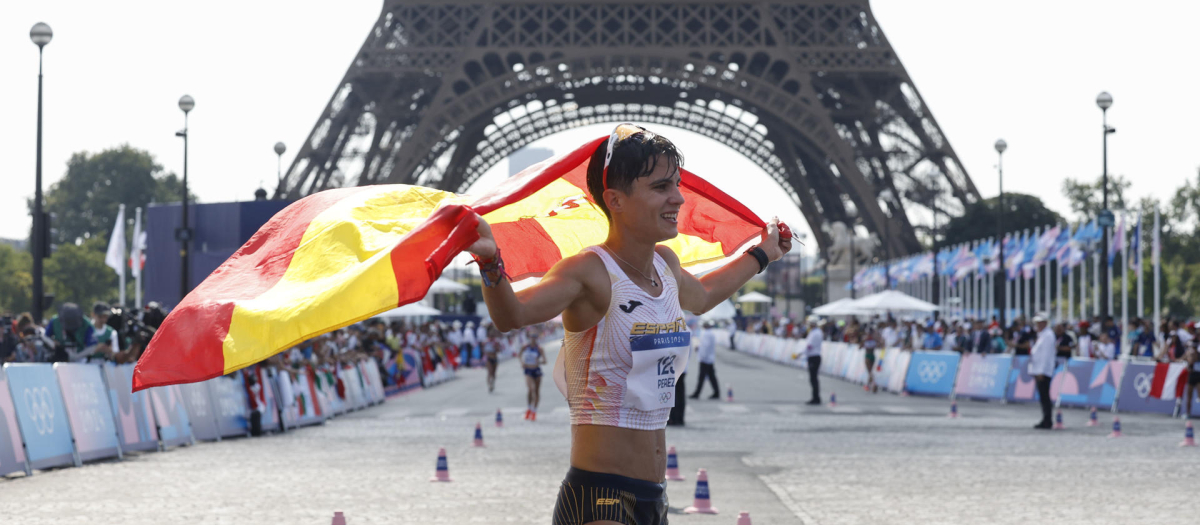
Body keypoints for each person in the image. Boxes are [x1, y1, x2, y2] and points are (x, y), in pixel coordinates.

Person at [466, 123, 791, 525]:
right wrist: (490, 263)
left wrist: (763, 254)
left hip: (655, 497)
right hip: (602, 498)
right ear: (615, 200)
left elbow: (703, 296)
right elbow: (511, 314)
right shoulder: (589, 271)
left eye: (676, 184)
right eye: (660, 187)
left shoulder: (664, 265)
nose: (678, 198)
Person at [1029, 315, 1056, 430]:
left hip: (1043, 371)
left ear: (1045, 323)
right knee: (1043, 396)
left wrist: (1041, 371)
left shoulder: (1048, 336)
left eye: (1040, 323)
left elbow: (1045, 356)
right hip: (1039, 370)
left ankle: (1047, 420)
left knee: (1045, 396)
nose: (1038, 325)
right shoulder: (1042, 335)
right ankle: (1046, 419)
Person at [689, 320, 720, 399]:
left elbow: (705, 347)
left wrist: (701, 356)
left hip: (705, 359)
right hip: (709, 358)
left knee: (701, 377)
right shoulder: (711, 333)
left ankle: (697, 393)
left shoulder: (706, 333)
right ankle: (716, 392)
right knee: (712, 377)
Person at [521, 333, 547, 421]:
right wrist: (522, 363)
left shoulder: (539, 349)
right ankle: (529, 408)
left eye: (535, 337)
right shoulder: (525, 347)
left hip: (536, 370)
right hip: (528, 370)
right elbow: (519, 355)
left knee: (536, 391)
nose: (533, 339)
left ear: (537, 338)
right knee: (530, 389)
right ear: (529, 338)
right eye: (532, 337)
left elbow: (545, 361)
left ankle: (534, 411)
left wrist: (538, 362)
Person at [803, 319, 824, 405]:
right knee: (814, 378)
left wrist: (800, 353)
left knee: (813, 379)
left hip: (814, 356)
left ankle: (816, 398)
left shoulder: (815, 333)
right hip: (814, 356)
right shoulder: (816, 332)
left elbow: (809, 346)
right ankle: (816, 397)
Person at [862, 326, 879, 393]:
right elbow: (879, 344)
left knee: (869, 371)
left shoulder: (865, 338)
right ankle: (868, 385)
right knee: (870, 371)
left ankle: (874, 383)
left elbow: (860, 346)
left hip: (868, 356)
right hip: (872, 355)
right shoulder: (874, 338)